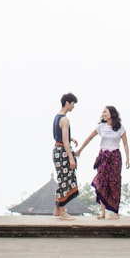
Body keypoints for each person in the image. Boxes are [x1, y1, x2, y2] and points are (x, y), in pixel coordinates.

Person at [76, 105, 130, 219]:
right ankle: (102, 212)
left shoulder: (120, 127)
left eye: (105, 112)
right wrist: (80, 150)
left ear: (112, 114)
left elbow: (125, 143)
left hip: (115, 157)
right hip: (103, 157)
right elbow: (89, 138)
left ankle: (115, 212)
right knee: (101, 182)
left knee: (114, 183)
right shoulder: (101, 127)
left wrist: (127, 158)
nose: (103, 114)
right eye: (103, 113)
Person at [52, 92, 79, 220]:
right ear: (67, 103)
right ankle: (63, 212)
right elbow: (64, 140)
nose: (73, 107)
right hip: (62, 151)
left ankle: (57, 210)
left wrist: (71, 138)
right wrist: (71, 158)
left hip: (57, 149)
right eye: (73, 104)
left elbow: (60, 135)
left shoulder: (57, 117)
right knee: (64, 180)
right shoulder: (65, 119)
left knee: (61, 178)